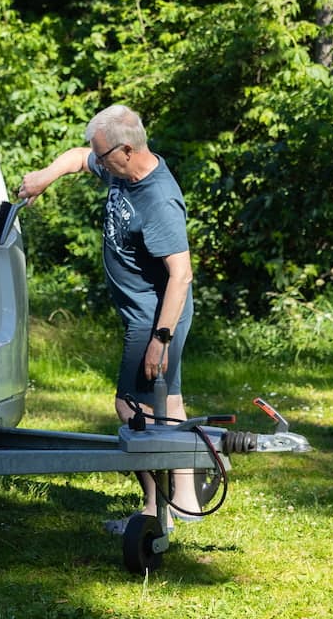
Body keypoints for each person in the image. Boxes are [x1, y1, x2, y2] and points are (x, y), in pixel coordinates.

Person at [16, 104, 201, 533]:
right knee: (168, 402)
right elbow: (76, 159)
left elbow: (181, 274)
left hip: (153, 317)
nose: (95, 162)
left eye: (102, 155)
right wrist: (45, 176)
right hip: (147, 315)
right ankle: (186, 501)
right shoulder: (121, 170)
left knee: (131, 407)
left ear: (126, 149)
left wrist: (160, 338)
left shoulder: (158, 199)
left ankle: (156, 513)